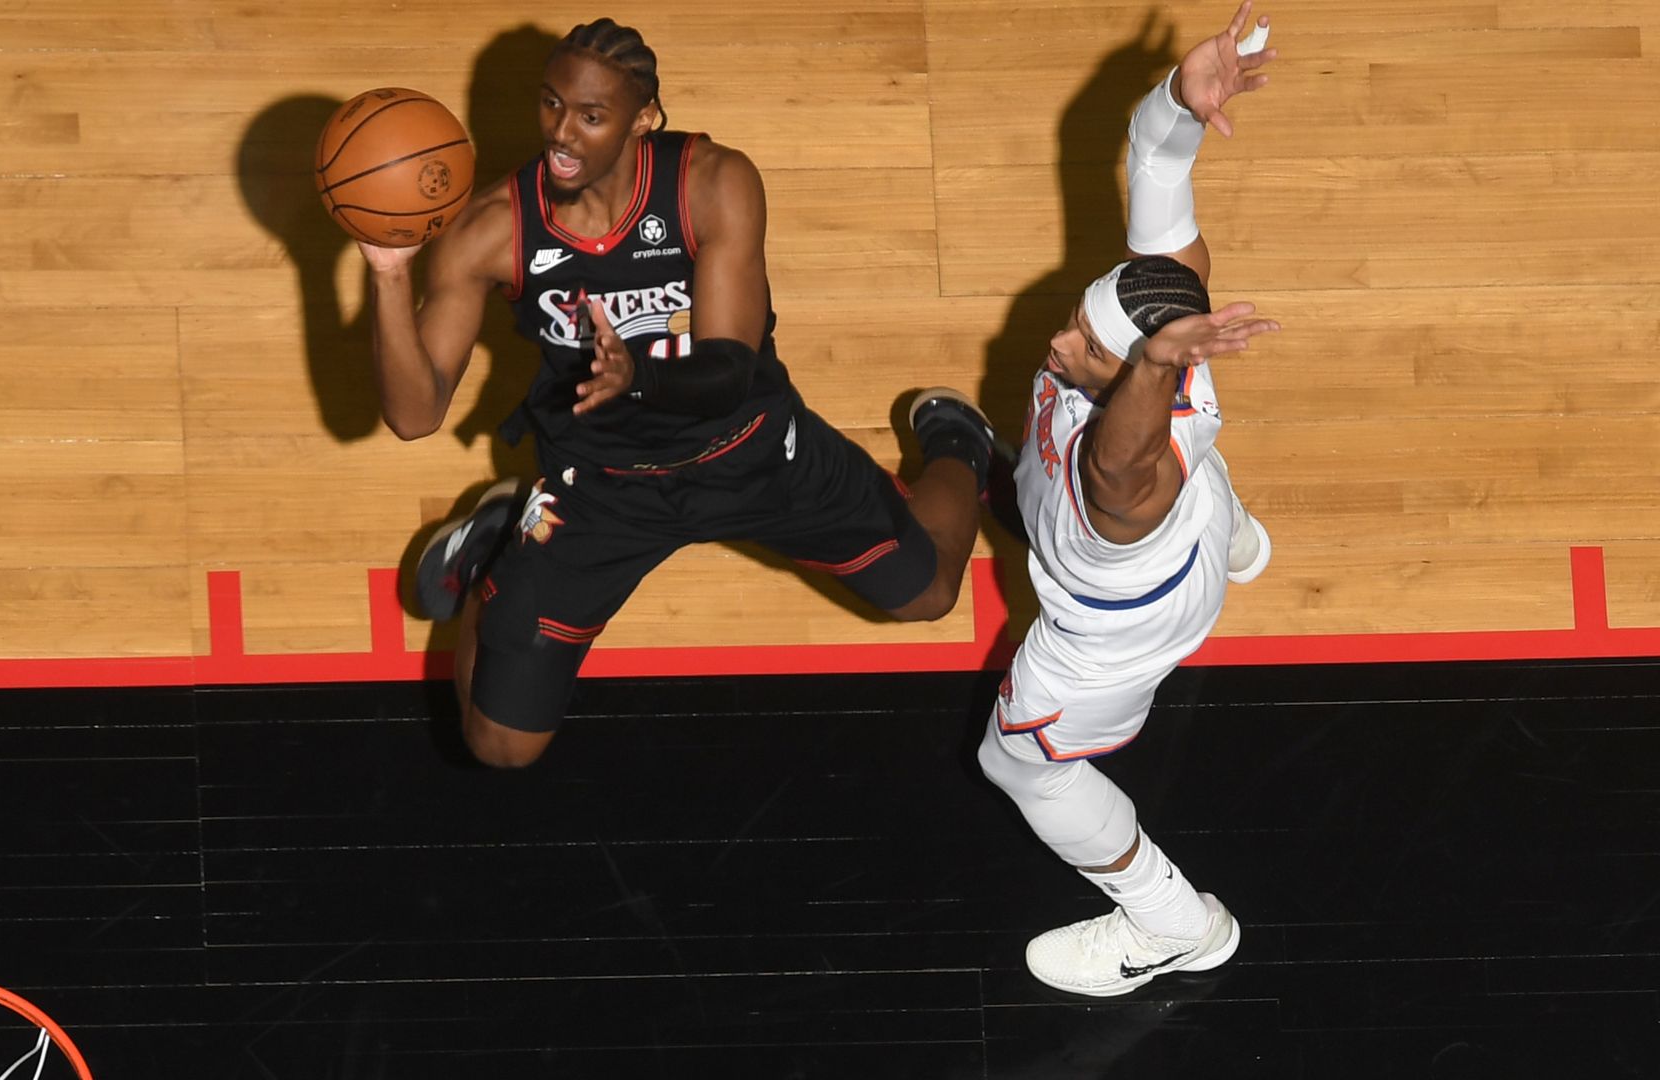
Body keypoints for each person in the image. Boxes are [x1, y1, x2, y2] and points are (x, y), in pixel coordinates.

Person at [362, 18, 997, 769]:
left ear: (643, 120)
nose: (563, 133)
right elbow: (413, 415)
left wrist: (640, 378)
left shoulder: (713, 184)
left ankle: (959, 439)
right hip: (600, 487)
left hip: (749, 449)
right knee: (500, 747)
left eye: (591, 116)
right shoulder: (491, 232)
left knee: (928, 595)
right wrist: (390, 272)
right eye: (551, 105)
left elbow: (732, 365)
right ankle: (501, 547)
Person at [974, 3, 1281, 997]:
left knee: (1020, 764)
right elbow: (1156, 168)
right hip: (1191, 531)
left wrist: (1139, 370)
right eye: (1075, 320)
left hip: (1111, 624)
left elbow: (1117, 459)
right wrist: (1178, 101)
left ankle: (1175, 924)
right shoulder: (1173, 293)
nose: (1061, 343)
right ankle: (1237, 542)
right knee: (1213, 488)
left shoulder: (1123, 486)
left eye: (1085, 351)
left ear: (1143, 373)